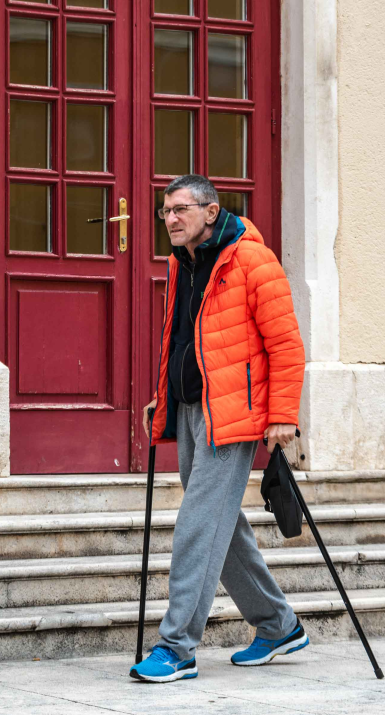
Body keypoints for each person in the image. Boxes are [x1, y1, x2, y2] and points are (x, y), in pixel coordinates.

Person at [131, 175, 307, 684]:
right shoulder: (180, 262)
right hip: (192, 409)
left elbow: (286, 343)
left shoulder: (252, 259)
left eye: (180, 209)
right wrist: (164, 395)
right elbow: (181, 339)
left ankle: (176, 647)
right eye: (165, 211)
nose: (170, 219)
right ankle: (278, 624)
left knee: (197, 525)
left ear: (211, 211)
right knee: (219, 526)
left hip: (234, 415)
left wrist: (283, 414)